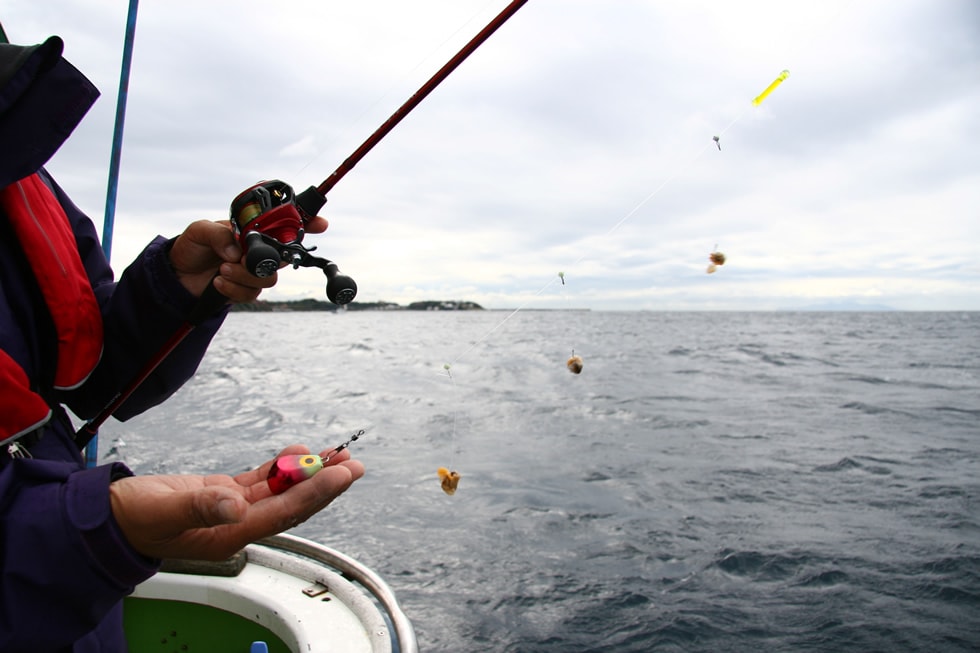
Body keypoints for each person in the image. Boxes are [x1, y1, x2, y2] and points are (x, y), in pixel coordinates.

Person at [0, 35, 365, 652]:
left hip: (83, 609)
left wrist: (180, 286)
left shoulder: (22, 170)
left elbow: (93, 374)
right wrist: (95, 530)